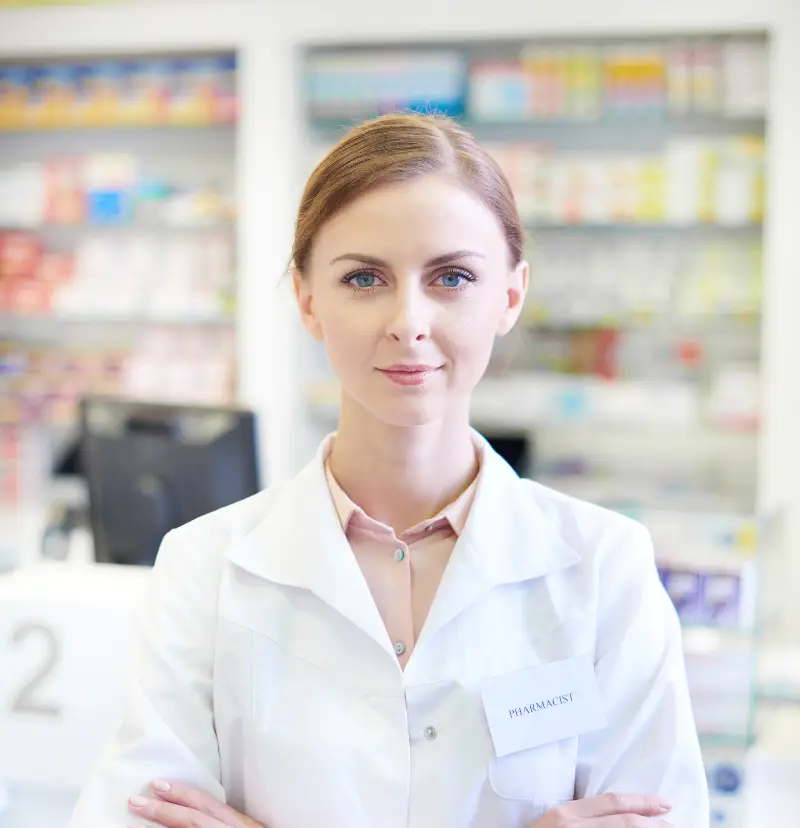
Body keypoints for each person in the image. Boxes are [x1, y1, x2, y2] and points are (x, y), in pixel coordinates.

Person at [68, 113, 709, 828]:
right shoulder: (203, 567)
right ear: (308, 299)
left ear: (510, 295)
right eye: (365, 277)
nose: (409, 320)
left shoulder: (602, 567)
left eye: (453, 277)